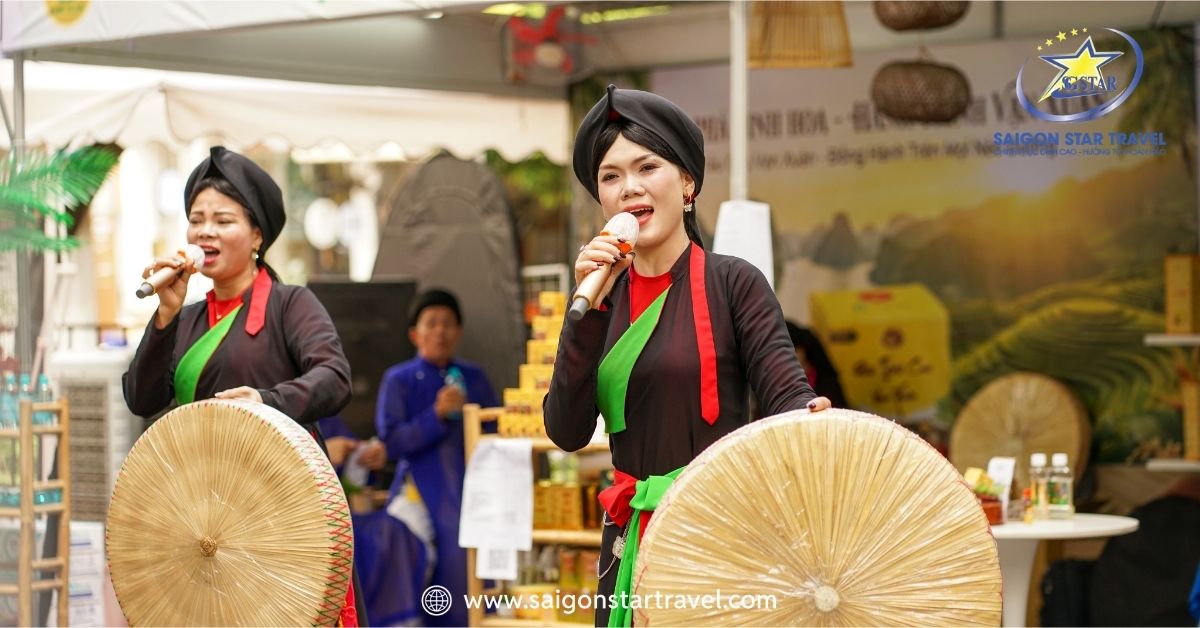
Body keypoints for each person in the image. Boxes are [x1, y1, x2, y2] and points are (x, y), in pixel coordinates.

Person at [544, 85, 833, 626]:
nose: (630, 187)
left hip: (721, 532)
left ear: (687, 183)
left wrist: (810, 414)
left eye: (647, 167)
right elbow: (566, 431)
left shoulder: (734, 283)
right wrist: (585, 314)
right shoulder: (600, 300)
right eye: (611, 176)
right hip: (629, 541)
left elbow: (786, 397)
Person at [122, 146, 362, 626]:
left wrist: (266, 402)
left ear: (257, 235)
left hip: (281, 509)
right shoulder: (185, 317)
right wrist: (165, 315)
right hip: (203, 517)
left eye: (223, 220)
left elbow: (334, 378)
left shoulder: (291, 305)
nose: (205, 231)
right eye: (196, 220)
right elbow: (141, 399)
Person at [375, 288, 499, 627]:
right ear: (415, 334)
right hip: (418, 490)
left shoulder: (475, 377)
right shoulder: (398, 379)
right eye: (431, 323)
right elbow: (391, 442)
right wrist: (436, 415)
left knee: (477, 566)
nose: (440, 331)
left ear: (459, 332)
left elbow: (495, 430)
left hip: (473, 489)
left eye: (448, 323)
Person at [786, 321, 849, 409]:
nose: (786, 358)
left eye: (791, 351)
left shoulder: (827, 381)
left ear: (803, 349)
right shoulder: (774, 385)